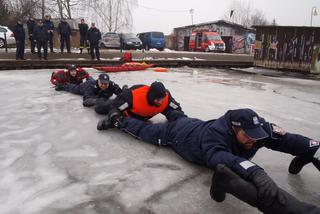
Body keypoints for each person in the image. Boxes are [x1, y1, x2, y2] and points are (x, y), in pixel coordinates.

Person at [97, 108, 320, 214]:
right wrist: (255, 172)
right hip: (177, 135)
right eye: (248, 136)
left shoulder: (256, 129)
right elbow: (218, 157)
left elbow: (287, 140)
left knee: (182, 117)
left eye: (256, 135)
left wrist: (314, 149)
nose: (254, 140)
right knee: (146, 130)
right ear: (234, 129)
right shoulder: (215, 136)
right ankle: (117, 120)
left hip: (192, 123)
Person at [95, 81, 183, 122]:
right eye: (158, 100)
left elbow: (176, 107)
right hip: (129, 101)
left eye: (162, 99)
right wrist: (115, 117)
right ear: (151, 96)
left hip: (144, 114)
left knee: (173, 112)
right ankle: (97, 99)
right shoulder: (131, 97)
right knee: (101, 108)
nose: (160, 102)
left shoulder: (166, 97)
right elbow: (114, 107)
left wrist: (180, 117)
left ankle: (125, 88)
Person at [55, 73, 122, 107]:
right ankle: (61, 85)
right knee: (73, 88)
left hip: (93, 83)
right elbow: (86, 101)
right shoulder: (90, 86)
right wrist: (98, 101)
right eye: (102, 83)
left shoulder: (111, 84)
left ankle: (90, 78)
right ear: (98, 81)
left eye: (106, 83)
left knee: (91, 80)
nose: (104, 85)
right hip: (83, 87)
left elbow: (120, 92)